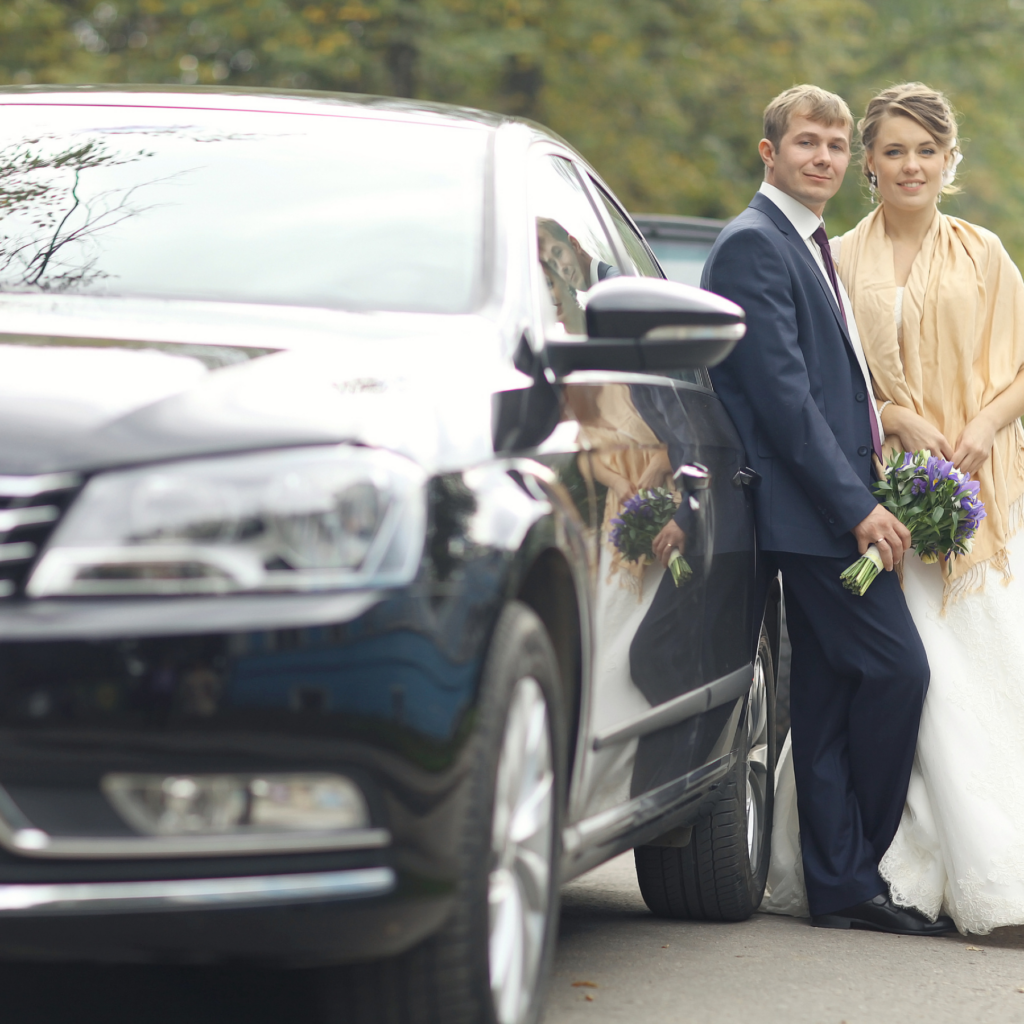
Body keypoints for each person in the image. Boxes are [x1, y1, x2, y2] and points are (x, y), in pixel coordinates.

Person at [769, 83, 1024, 936]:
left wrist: (984, 426)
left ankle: (973, 864)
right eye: (893, 151)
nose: (910, 166)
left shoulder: (985, 252)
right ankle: (876, 868)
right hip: (879, 505)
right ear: (867, 165)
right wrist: (900, 416)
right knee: (896, 680)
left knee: (969, 682)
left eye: (927, 151)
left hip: (978, 494)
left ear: (949, 163)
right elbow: (823, 383)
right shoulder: (834, 257)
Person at [701, 84, 951, 935]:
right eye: (808, 143)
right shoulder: (753, 246)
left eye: (837, 148)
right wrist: (857, 512)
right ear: (769, 152)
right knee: (895, 671)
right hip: (810, 518)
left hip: (826, 507)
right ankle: (857, 868)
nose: (824, 159)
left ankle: (840, 884)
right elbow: (783, 398)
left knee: (829, 693)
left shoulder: (805, 244)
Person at [537, 217, 619, 291]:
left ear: (574, 245)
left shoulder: (617, 284)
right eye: (554, 265)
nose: (562, 268)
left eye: (558, 253)